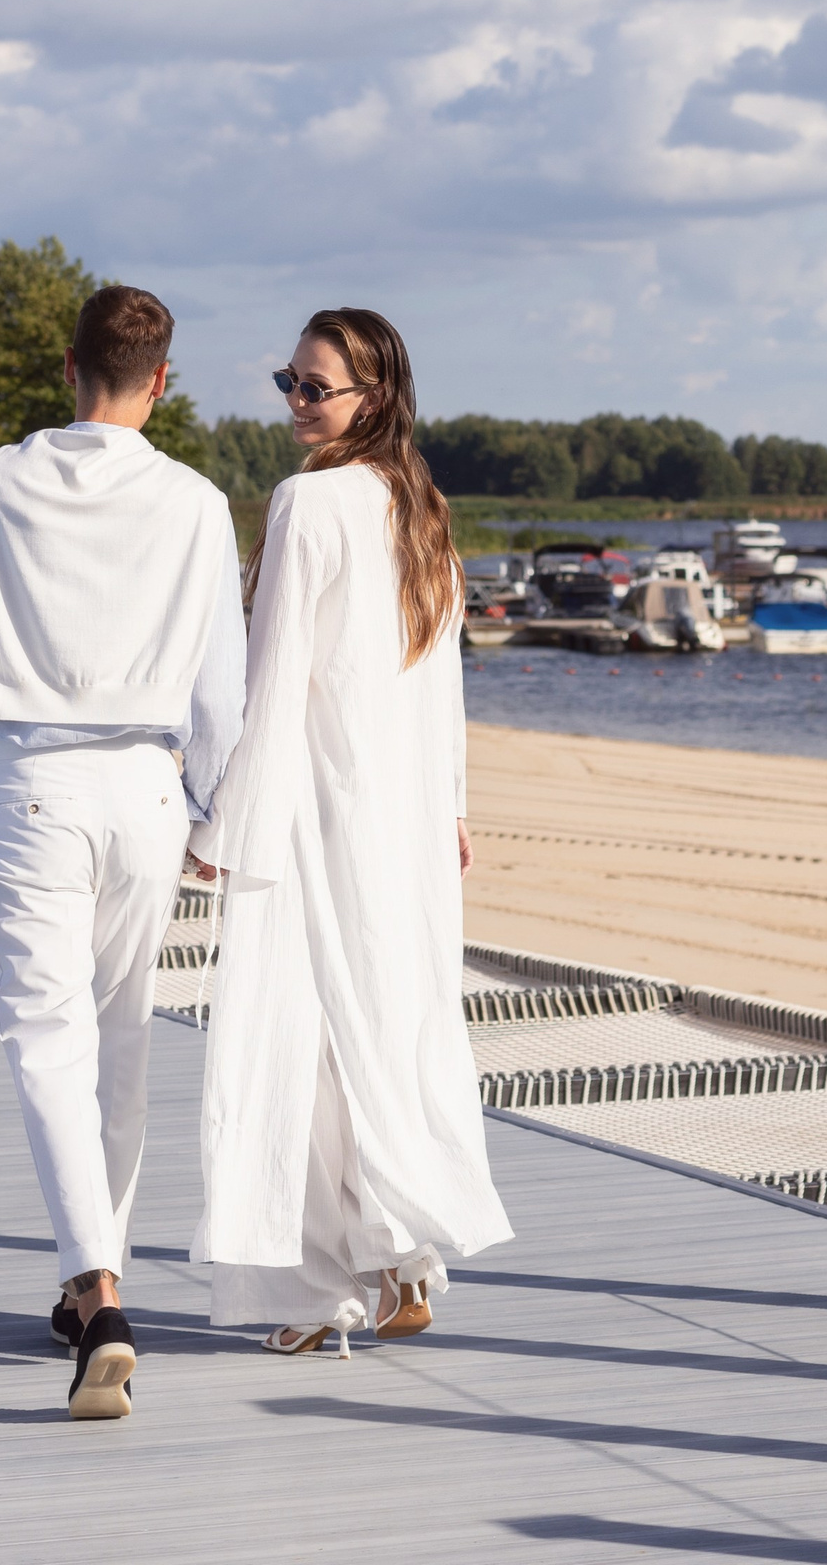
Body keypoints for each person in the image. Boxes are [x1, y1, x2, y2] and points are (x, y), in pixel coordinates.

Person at [0, 283, 246, 1421]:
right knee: (121, 1040)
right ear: (161, 380)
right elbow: (221, 689)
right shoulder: (197, 503)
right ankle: (91, 1287)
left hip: (33, 783)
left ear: (70, 367)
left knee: (46, 1041)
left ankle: (97, 1291)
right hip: (146, 787)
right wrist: (210, 813)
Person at [190, 305, 511, 1351]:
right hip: (403, 818)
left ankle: (316, 1290)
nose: (295, 401)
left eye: (314, 387)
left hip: (319, 809)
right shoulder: (421, 506)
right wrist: (451, 803)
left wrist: (226, 823)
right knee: (381, 1029)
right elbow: (441, 679)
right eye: (288, 380)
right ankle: (398, 1258)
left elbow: (274, 676)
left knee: (292, 1041)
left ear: (373, 398)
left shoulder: (309, 501)